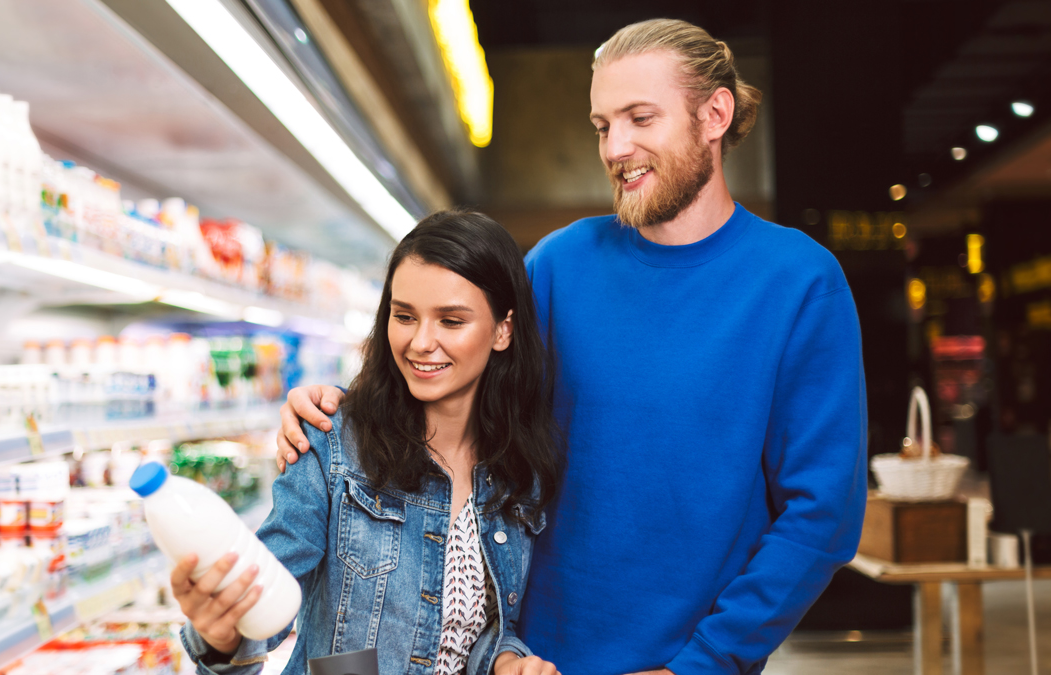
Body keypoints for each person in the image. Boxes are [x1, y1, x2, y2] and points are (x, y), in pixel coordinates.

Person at [276, 18, 868, 675]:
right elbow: (458, 397)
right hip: (527, 661)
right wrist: (341, 413)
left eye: (640, 118)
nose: (617, 147)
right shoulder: (558, 265)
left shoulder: (800, 284)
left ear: (715, 114)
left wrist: (703, 663)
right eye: (601, 125)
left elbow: (822, 516)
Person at [174, 210, 564, 675]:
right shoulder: (332, 445)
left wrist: (505, 660)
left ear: (503, 329)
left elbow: (479, 628)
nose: (421, 341)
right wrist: (223, 637)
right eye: (404, 316)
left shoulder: (518, 472)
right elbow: (266, 598)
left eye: (451, 321)